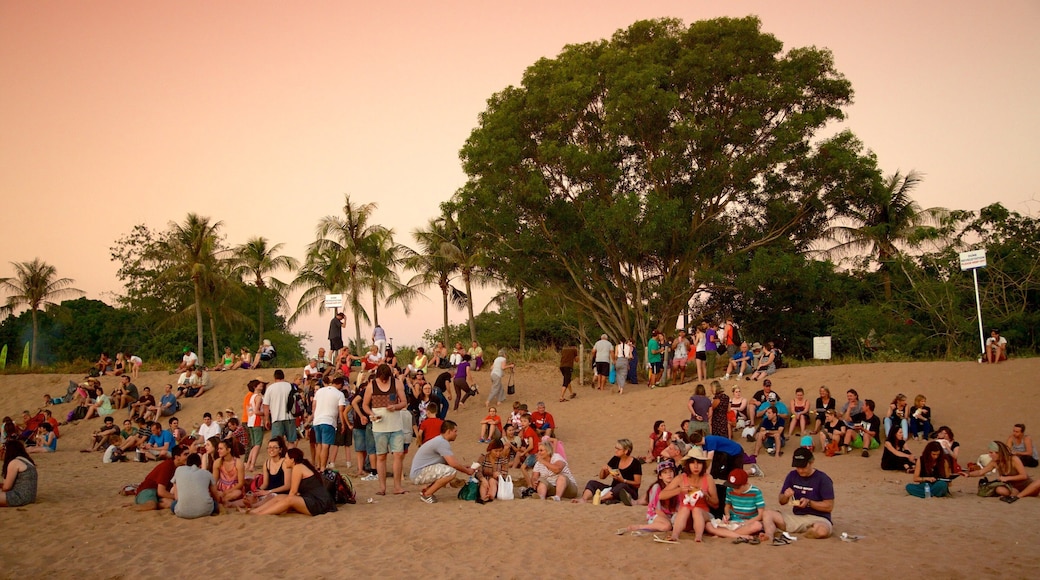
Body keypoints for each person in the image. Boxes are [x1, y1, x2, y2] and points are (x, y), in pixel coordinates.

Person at [761, 448, 834, 543]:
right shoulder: (792, 476)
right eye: (798, 467)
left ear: (811, 462)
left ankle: (809, 532)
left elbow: (829, 506)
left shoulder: (823, 479)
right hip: (797, 518)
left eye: (803, 467)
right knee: (767, 514)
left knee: (821, 531)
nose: (800, 470)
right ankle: (769, 536)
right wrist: (786, 496)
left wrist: (809, 503)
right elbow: (782, 501)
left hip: (819, 518)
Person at [362, 364, 409, 495]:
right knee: (381, 456)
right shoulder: (371, 385)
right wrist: (371, 414)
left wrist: (396, 406)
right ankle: (382, 487)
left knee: (398, 455)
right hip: (379, 426)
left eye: (385, 378)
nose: (383, 381)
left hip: (395, 425)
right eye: (382, 378)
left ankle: (397, 486)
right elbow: (365, 405)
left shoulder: (397, 383)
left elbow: (404, 402)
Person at [655, 446, 718, 543]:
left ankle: (698, 537)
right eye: (693, 463)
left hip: (703, 514)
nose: (696, 466)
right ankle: (675, 535)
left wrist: (706, 496)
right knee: (685, 508)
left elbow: (716, 503)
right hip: (684, 516)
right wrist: (679, 490)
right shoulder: (681, 478)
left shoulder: (708, 478)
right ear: (688, 465)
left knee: (696, 510)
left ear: (703, 465)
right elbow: (661, 495)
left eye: (699, 463)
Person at [249, 448, 335, 516]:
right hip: (313, 499)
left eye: (286, 458)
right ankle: (254, 511)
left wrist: (285, 506)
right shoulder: (300, 466)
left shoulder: (298, 467)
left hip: (320, 503)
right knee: (280, 497)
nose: (285, 460)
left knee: (289, 499)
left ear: (292, 460)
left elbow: (293, 492)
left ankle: (261, 514)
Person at [409, 420, 477, 504]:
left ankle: (427, 490)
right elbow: (453, 464)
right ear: (448, 431)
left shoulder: (439, 440)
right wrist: (467, 471)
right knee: (450, 472)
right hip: (418, 474)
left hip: (419, 472)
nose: (456, 434)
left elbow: (448, 462)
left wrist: (463, 466)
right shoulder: (442, 442)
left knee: (448, 470)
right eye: (455, 431)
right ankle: (427, 494)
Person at [616, 460, 679, 536]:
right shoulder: (657, 487)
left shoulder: (677, 487)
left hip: (670, 514)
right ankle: (639, 527)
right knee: (667, 526)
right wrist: (669, 520)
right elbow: (657, 510)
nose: (669, 474)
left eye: (670, 472)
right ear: (660, 476)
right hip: (656, 514)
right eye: (665, 472)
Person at [574, 439, 642, 505]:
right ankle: (584, 499)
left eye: (618, 449)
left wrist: (623, 480)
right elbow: (602, 477)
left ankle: (600, 499)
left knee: (621, 486)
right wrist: (604, 470)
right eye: (616, 448)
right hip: (613, 488)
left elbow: (637, 484)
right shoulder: (615, 459)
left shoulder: (635, 463)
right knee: (592, 483)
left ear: (626, 451)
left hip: (629, 491)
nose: (616, 451)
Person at [711, 468, 766, 543]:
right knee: (709, 524)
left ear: (745, 484)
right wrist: (727, 515)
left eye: (737, 487)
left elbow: (760, 514)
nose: (734, 490)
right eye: (732, 487)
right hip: (734, 520)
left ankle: (724, 534)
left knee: (757, 525)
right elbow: (727, 506)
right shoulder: (729, 489)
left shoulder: (756, 492)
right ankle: (731, 533)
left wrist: (745, 523)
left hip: (749, 521)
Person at [965, 441, 1032, 502]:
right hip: (1012, 487)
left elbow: (1024, 476)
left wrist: (1007, 478)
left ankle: (1018, 496)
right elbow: (981, 472)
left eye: (991, 453)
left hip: (1026, 485)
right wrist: (968, 474)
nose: (989, 455)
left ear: (999, 453)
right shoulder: (995, 462)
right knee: (999, 489)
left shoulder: (1013, 459)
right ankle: (1017, 494)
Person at [131, 445, 189, 511]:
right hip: (148, 490)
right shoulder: (168, 466)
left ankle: (154, 503)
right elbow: (161, 491)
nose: (189, 456)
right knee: (152, 506)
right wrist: (177, 498)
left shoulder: (181, 467)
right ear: (177, 457)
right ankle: (130, 508)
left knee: (170, 503)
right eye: (186, 454)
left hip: (158, 494)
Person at [312, 376, 348, 471]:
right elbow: (341, 411)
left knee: (319, 445)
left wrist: (314, 416)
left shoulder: (320, 391)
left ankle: (318, 465)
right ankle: (323, 467)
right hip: (328, 421)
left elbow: (314, 405)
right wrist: (343, 424)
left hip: (317, 420)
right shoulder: (339, 394)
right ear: (340, 385)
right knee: (325, 446)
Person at [170, 453, 219, 518]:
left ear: (187, 463)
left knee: (173, 504)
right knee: (214, 503)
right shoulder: (207, 473)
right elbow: (215, 494)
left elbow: (177, 497)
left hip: (182, 512)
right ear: (200, 464)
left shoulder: (179, 470)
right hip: (206, 510)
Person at [262, 369, 297, 448]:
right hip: (290, 417)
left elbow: (266, 405)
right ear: (283, 376)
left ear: (274, 377)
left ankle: (279, 459)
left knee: (276, 442)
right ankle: (291, 458)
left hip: (276, 418)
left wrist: (266, 419)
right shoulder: (290, 386)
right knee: (291, 441)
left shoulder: (270, 388)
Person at [0, 440, 38, 507]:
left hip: (19, 497)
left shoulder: (14, 463)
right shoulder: (27, 461)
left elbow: (6, 487)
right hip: (30, 497)